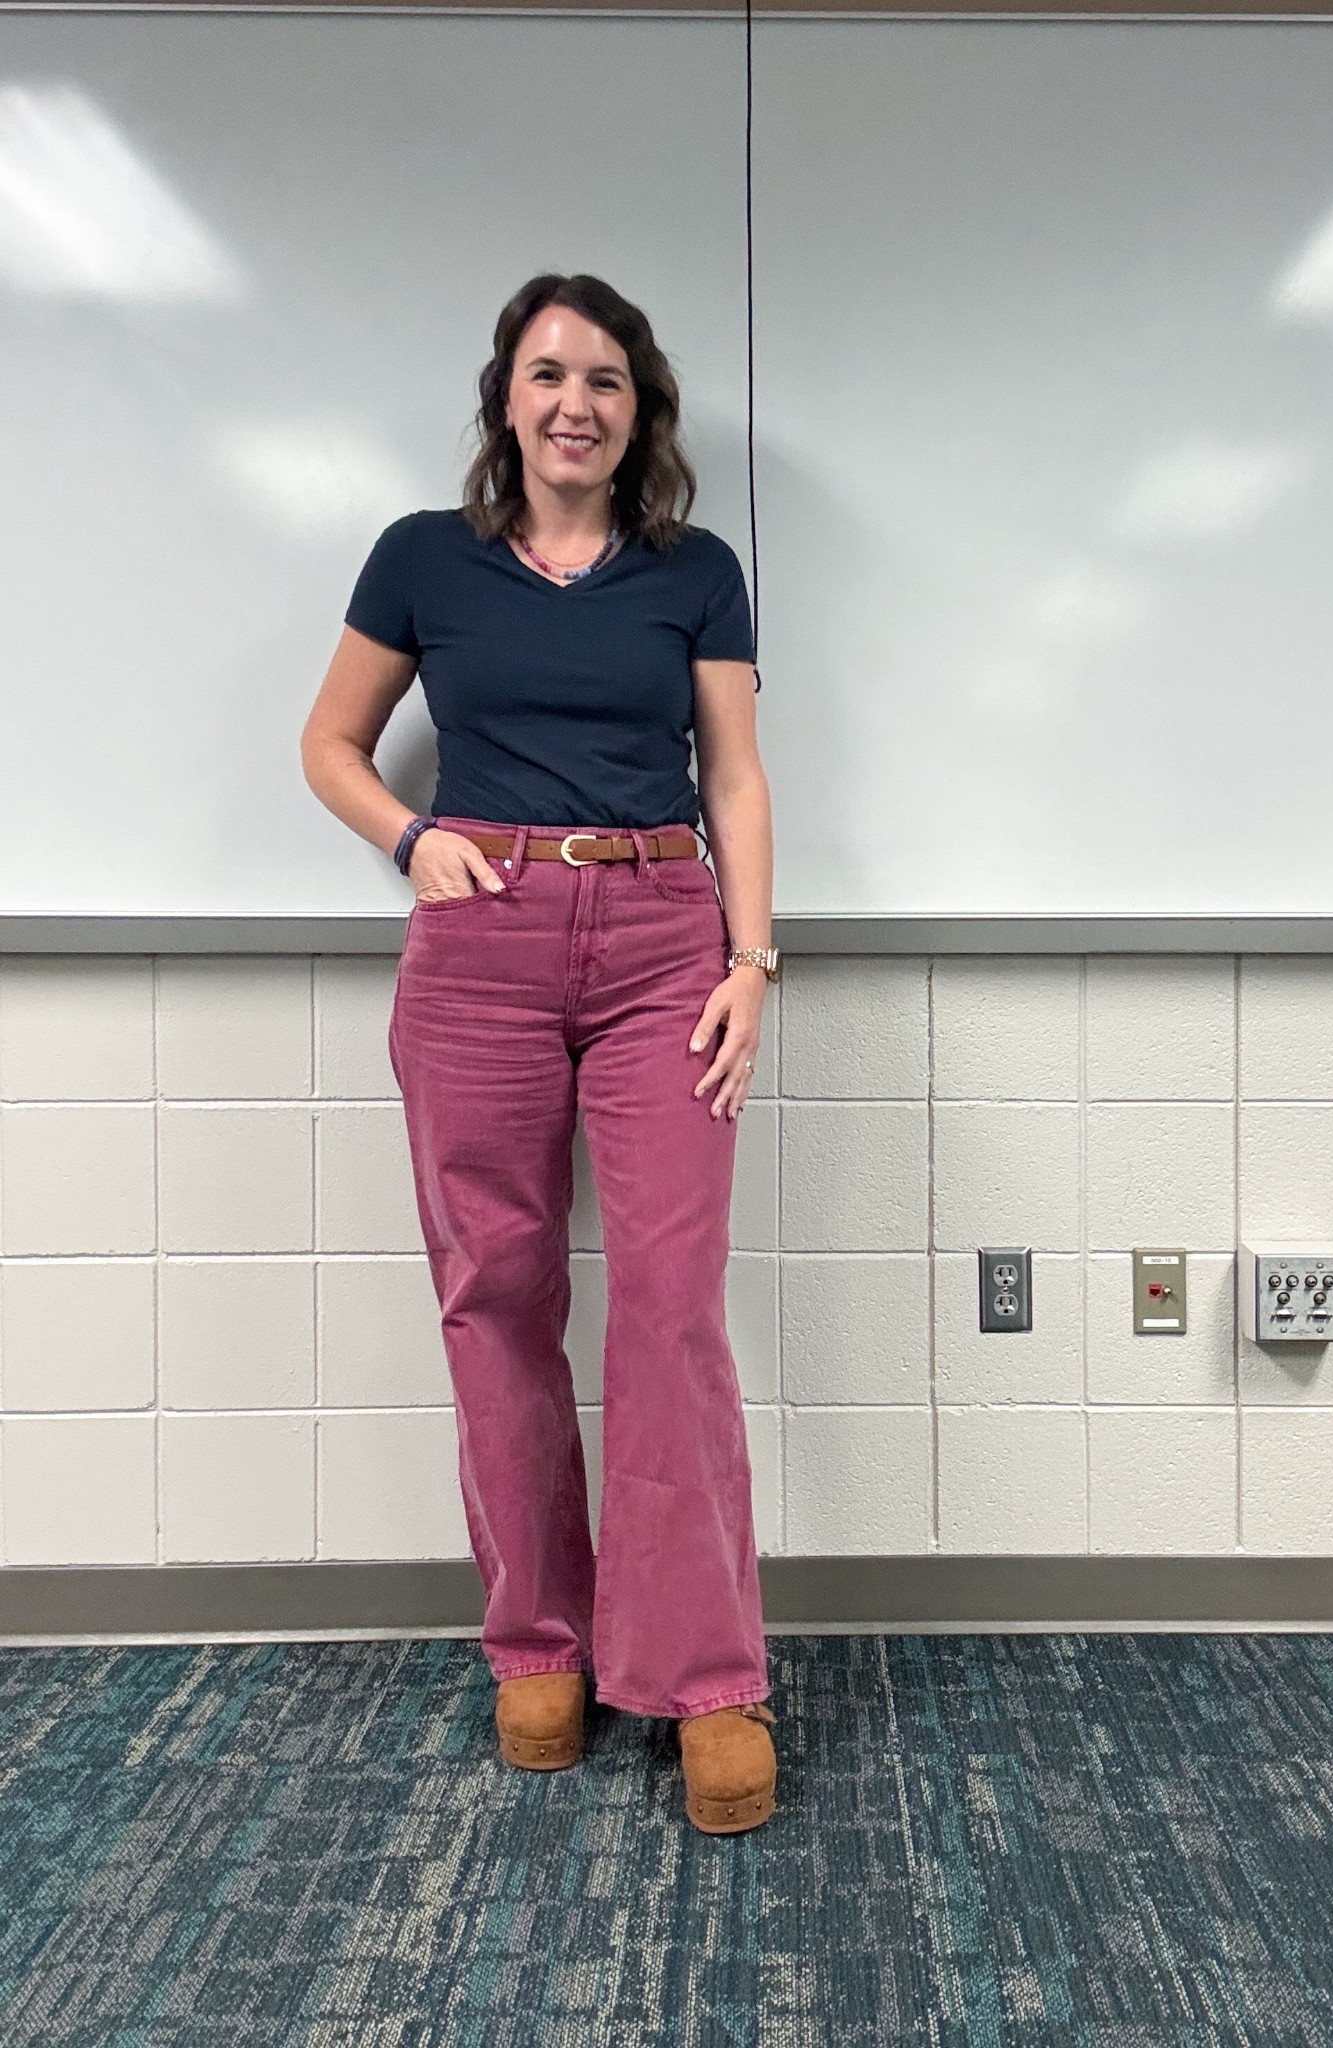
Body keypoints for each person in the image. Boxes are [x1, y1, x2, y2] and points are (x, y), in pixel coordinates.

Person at [299, 271, 781, 1834]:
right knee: (496, 1293)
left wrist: (751, 959)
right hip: (479, 943)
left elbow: (737, 776)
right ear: (507, 395)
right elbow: (329, 743)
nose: (576, 402)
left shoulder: (692, 571)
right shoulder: (422, 559)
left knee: (667, 1304)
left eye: (608, 382)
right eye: (548, 373)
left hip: (660, 941)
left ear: (641, 414)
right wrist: (410, 837)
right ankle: (538, 1646)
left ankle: (705, 1676)